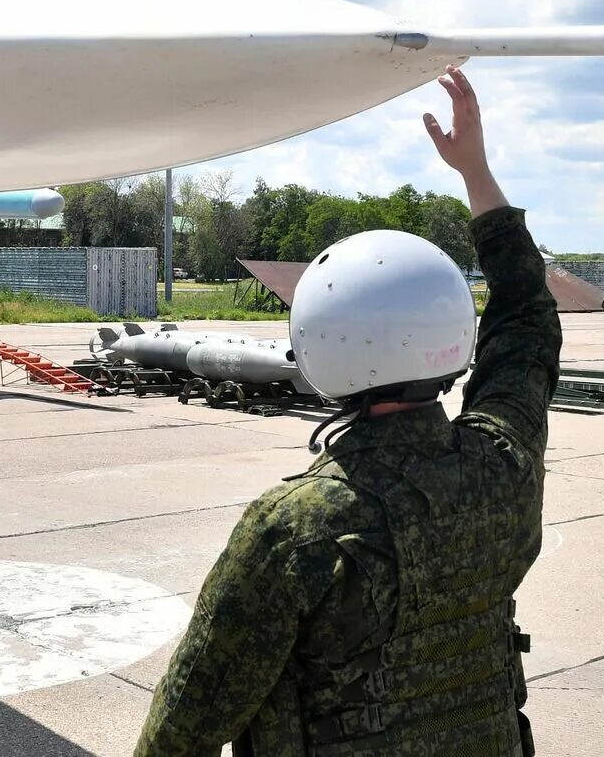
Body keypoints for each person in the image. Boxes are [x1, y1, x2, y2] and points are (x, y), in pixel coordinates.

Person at [134, 66, 559, 756]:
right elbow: (527, 321)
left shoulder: (294, 530)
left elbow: (186, 725)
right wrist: (475, 172)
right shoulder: (503, 466)